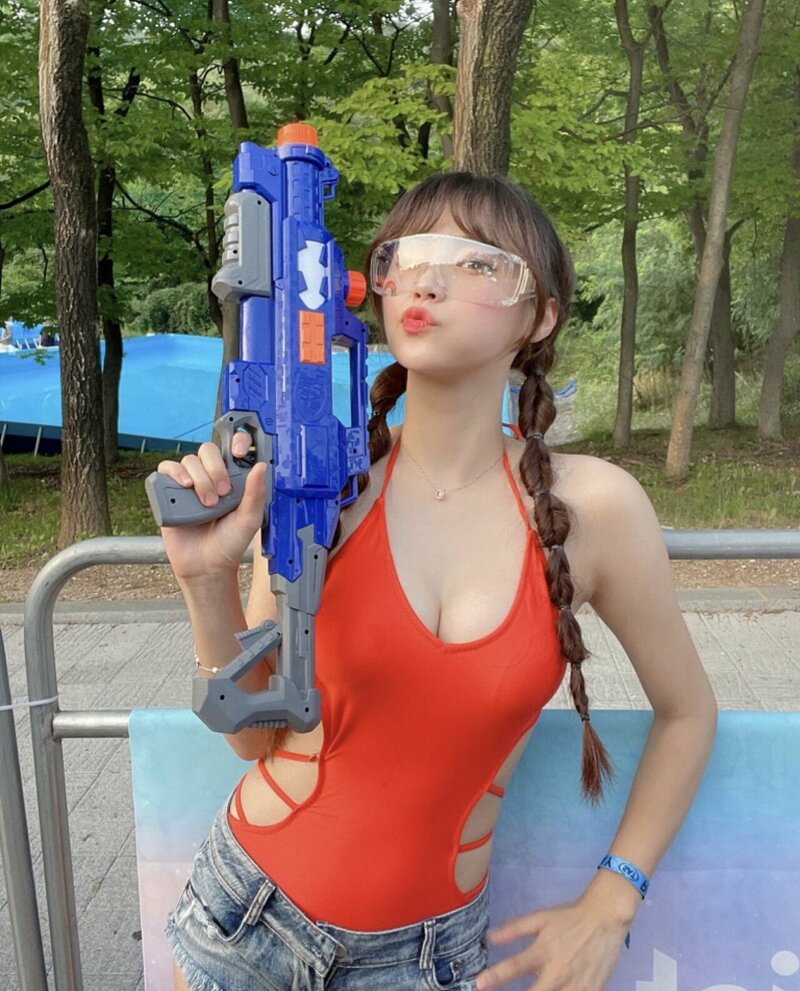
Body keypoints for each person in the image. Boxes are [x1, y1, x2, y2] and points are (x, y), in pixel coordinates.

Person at [155, 172, 717, 991]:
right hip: (245, 923)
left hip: (425, 959)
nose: (427, 279)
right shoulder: (324, 481)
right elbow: (253, 736)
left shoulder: (594, 507)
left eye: (476, 261)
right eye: (407, 256)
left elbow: (688, 710)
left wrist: (613, 899)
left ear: (540, 315)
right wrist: (205, 582)